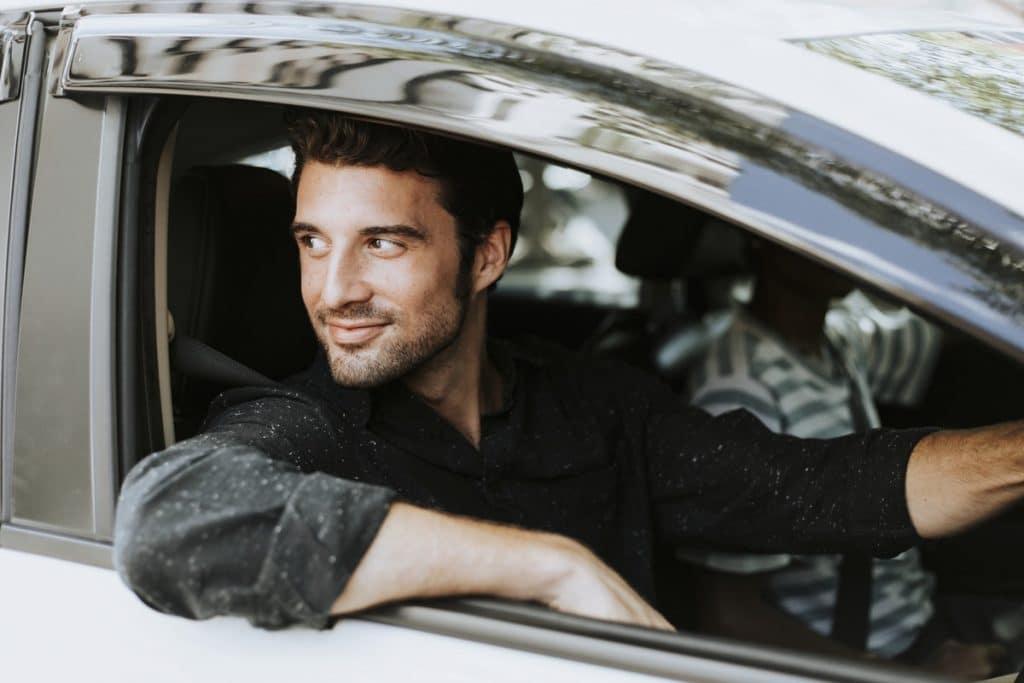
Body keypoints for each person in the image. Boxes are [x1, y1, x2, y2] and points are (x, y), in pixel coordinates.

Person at [114, 109, 1024, 636]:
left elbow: (823, 485)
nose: (334, 288)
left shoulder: (595, 406)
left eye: (382, 243)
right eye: (313, 243)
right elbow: (166, 521)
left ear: (486, 255)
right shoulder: (301, 424)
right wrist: (552, 567)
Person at [682, 241, 1004, 678]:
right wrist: (907, 676)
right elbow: (728, 617)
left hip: (915, 618)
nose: (842, 240)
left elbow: (949, 334)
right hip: (864, 660)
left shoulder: (835, 338)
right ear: (767, 244)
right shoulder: (739, 391)